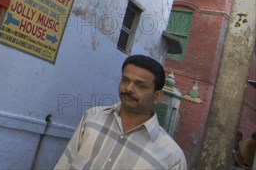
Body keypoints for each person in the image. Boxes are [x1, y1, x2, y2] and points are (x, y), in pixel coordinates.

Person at [55, 55, 187, 169]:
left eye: (140, 85)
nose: (129, 88)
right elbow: (65, 163)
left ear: (157, 96)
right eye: (125, 80)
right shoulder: (92, 118)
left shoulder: (172, 157)